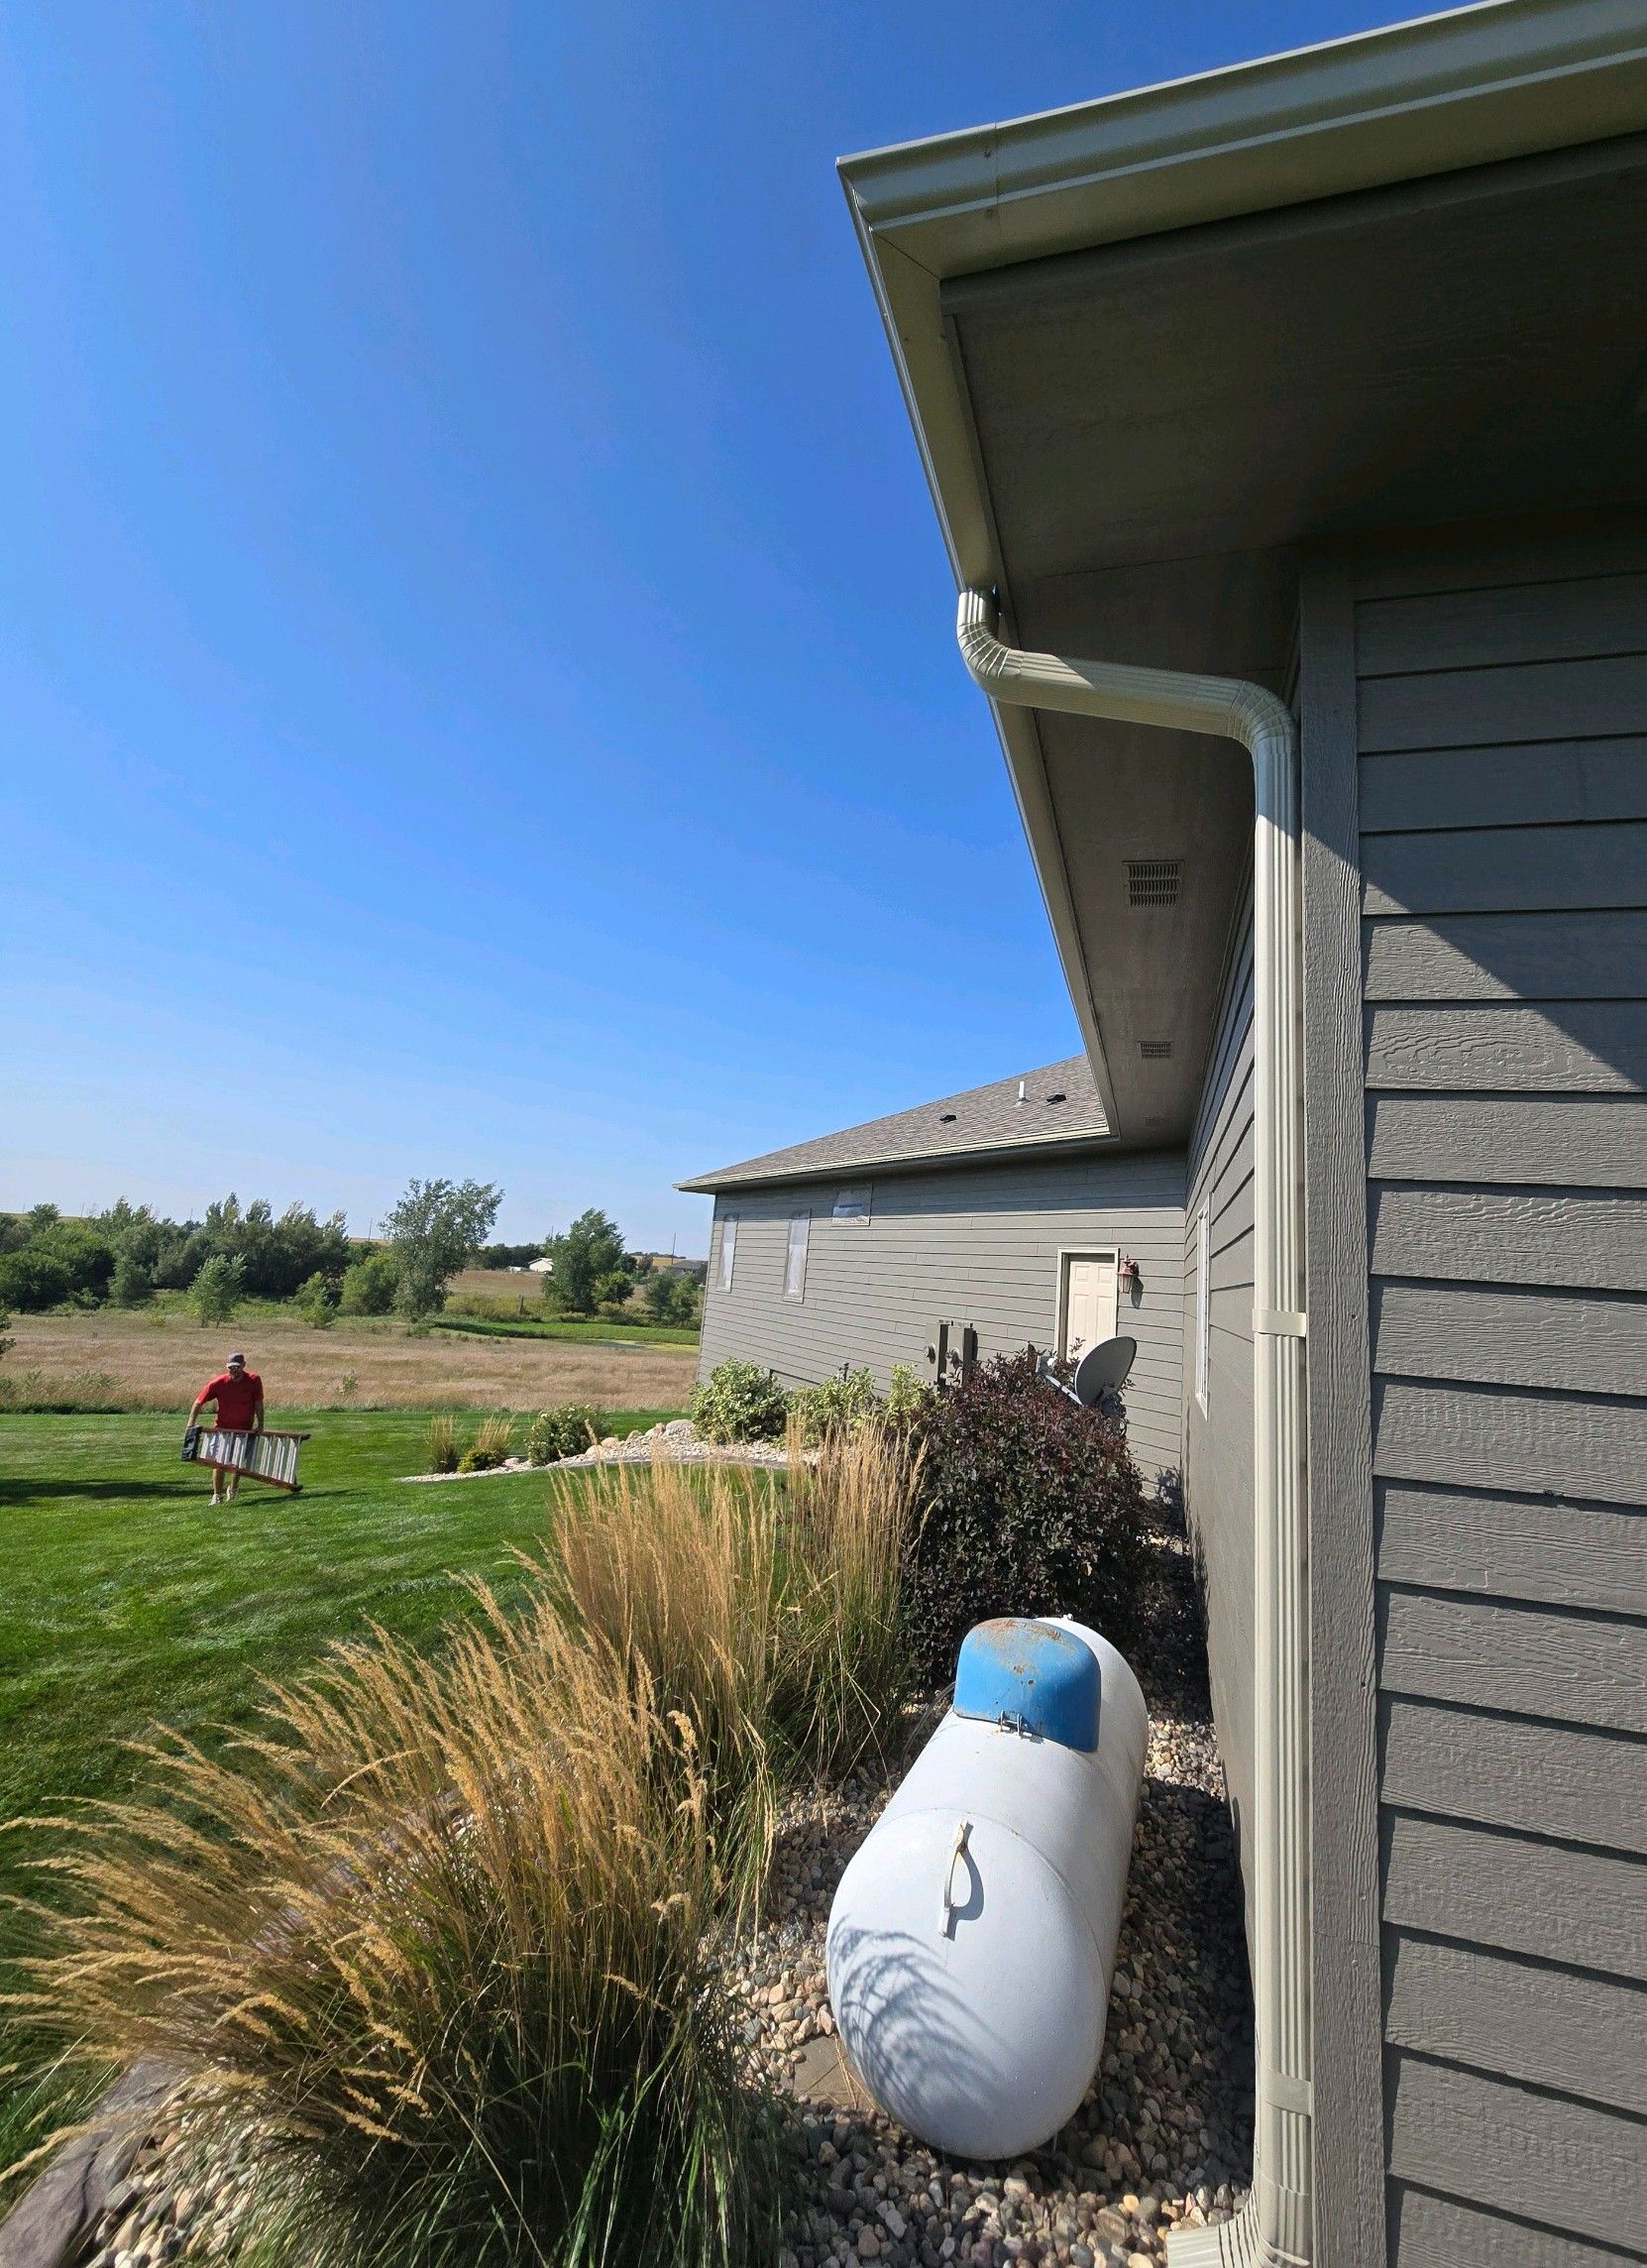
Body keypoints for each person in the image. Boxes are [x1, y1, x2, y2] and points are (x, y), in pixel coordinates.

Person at [188, 1352, 265, 1505]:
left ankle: (233, 1489)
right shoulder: (218, 1382)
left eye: (236, 1367)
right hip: (222, 1429)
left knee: (237, 1462)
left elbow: (258, 1404)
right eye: (230, 1368)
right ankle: (217, 1496)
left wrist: (261, 1424)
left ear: (243, 1365)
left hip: (244, 1429)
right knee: (219, 1462)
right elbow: (198, 1402)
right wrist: (191, 1423)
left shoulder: (254, 1380)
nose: (233, 1371)